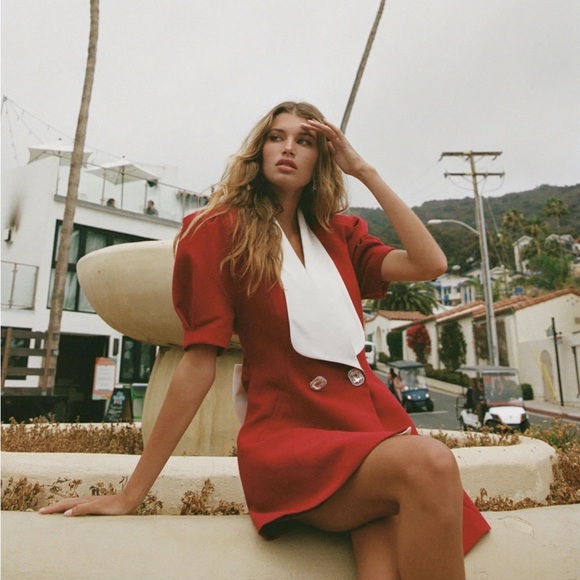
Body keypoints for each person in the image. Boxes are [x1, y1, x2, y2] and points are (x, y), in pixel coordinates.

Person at [40, 101, 489, 579]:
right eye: (277, 137)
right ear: (260, 149)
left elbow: (430, 264)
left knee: (384, 562)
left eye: (305, 141)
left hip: (369, 432)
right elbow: (198, 363)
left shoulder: (339, 234)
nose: (288, 147)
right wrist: (132, 493)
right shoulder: (218, 230)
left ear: (321, 159)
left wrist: (364, 170)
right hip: (292, 442)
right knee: (430, 463)